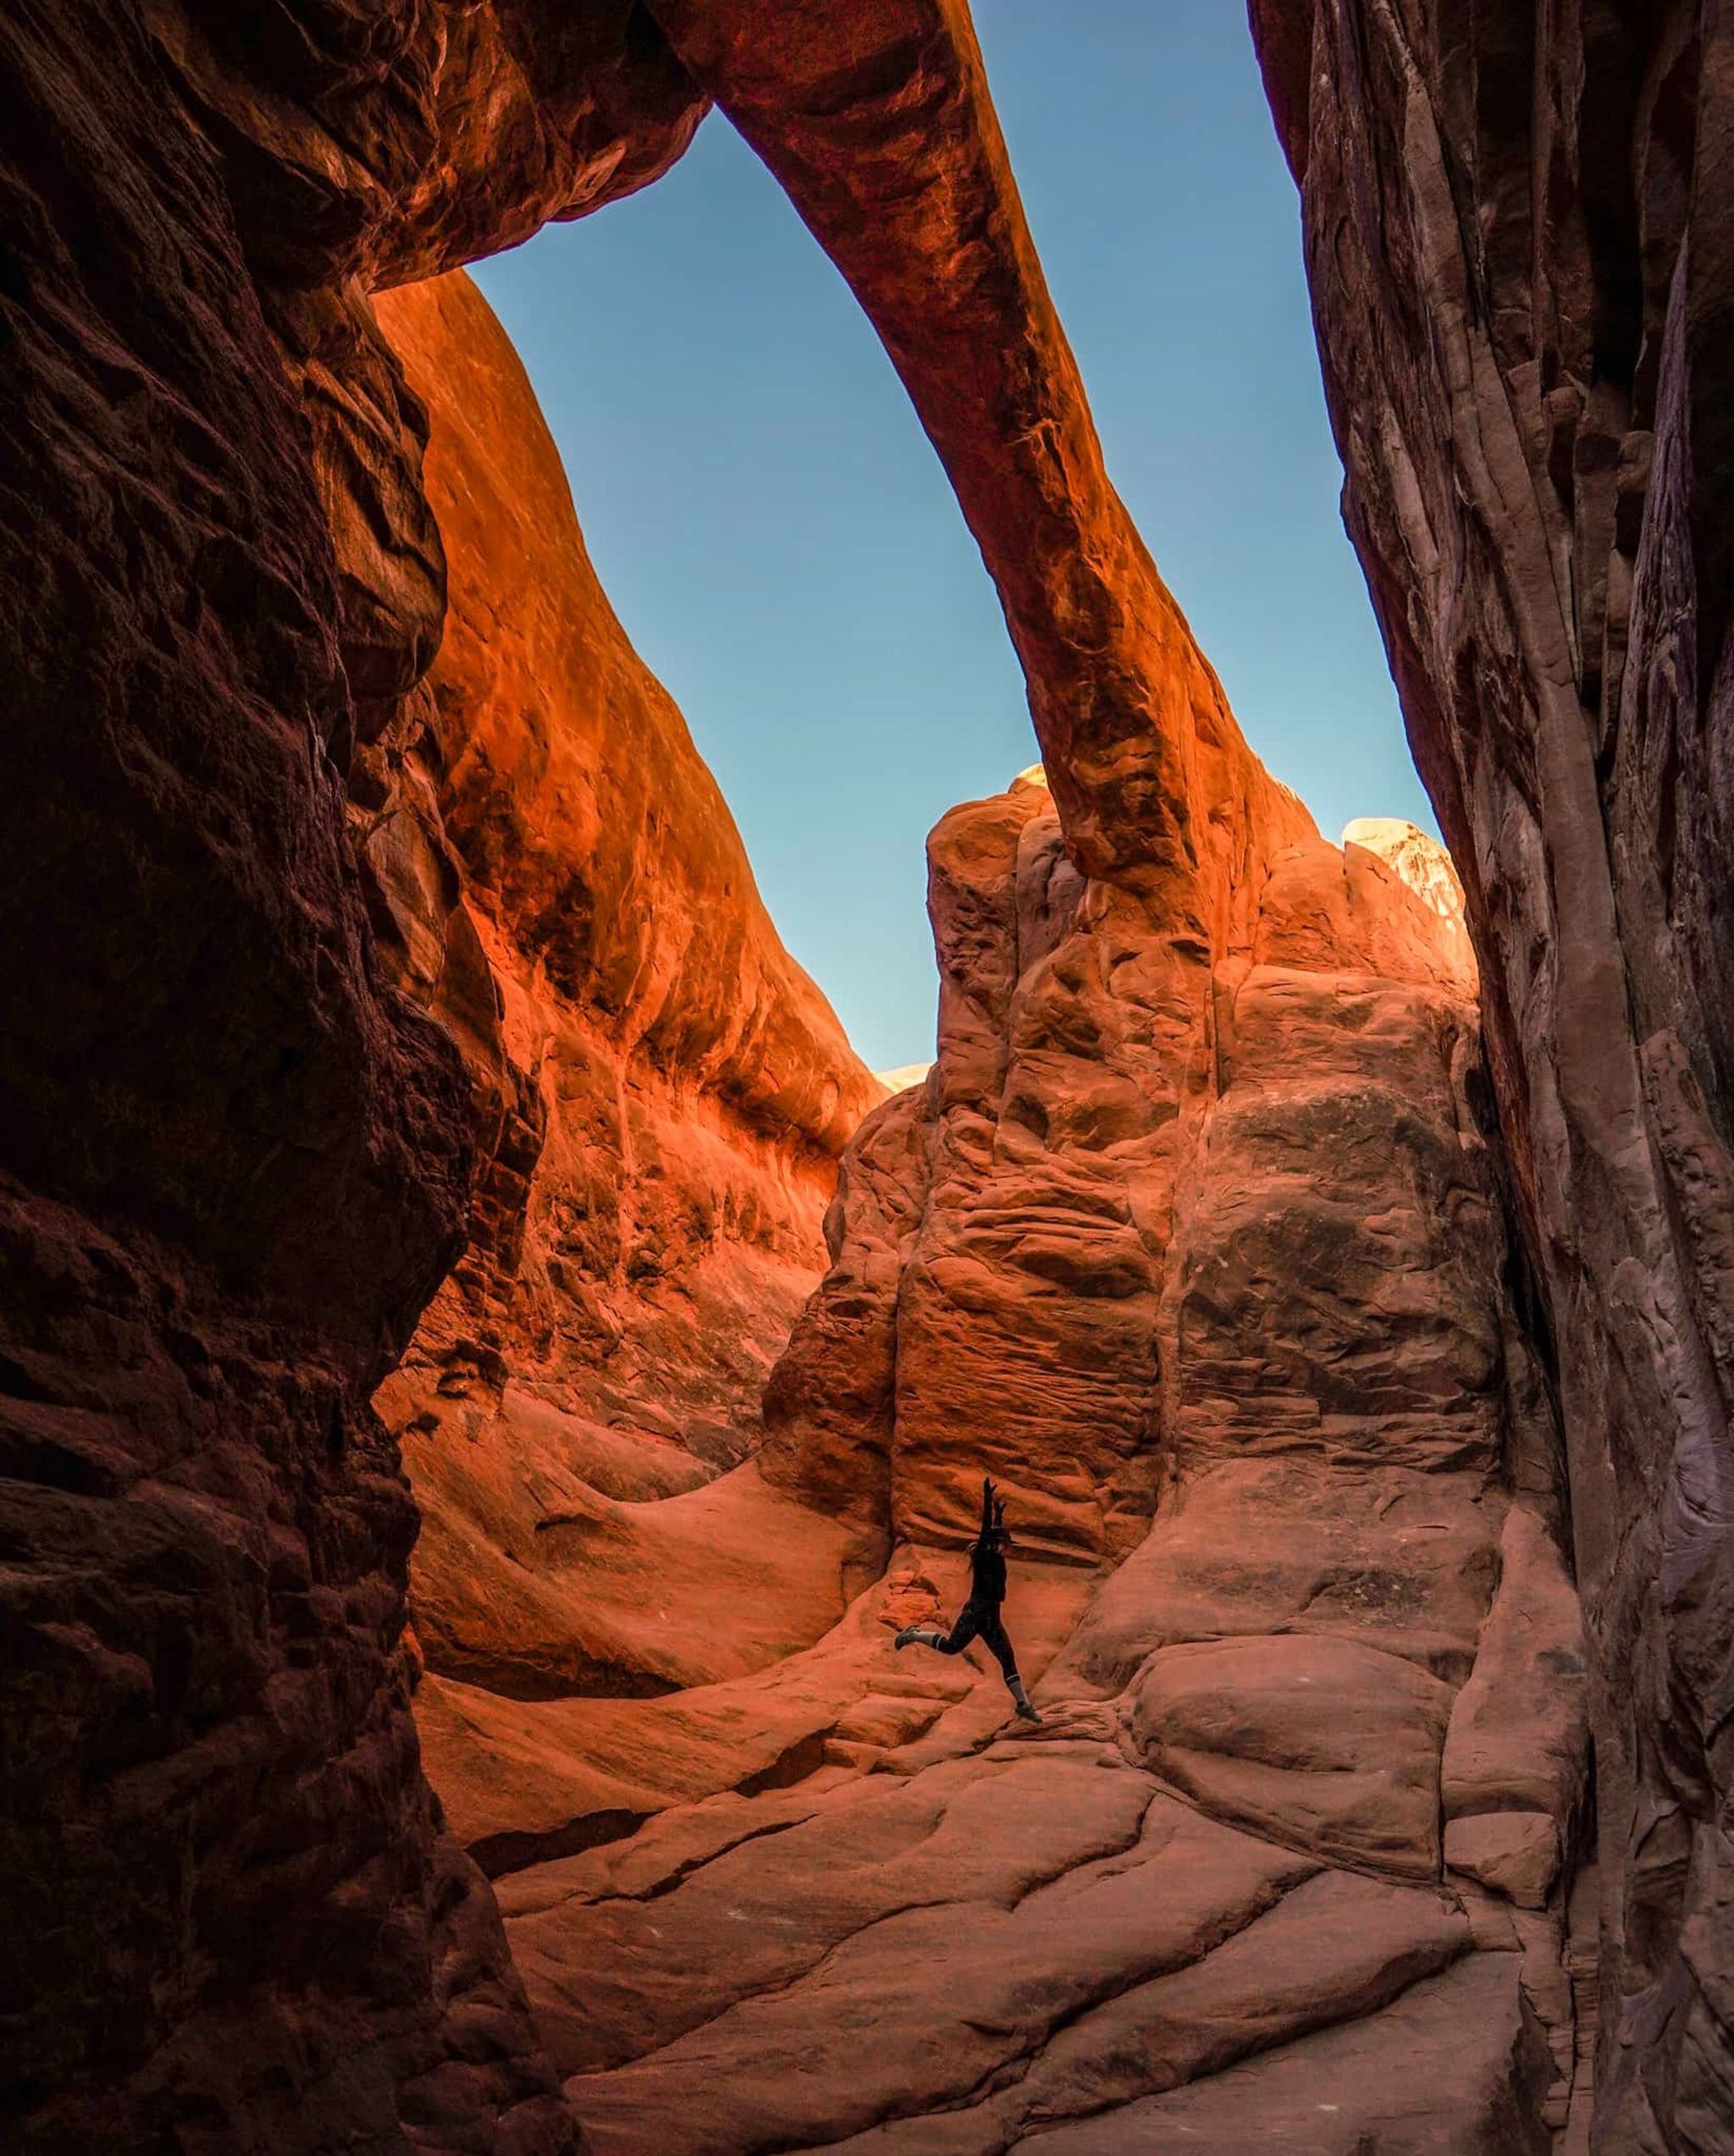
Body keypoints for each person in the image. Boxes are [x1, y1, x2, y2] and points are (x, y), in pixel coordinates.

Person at [895, 1476, 1040, 1722]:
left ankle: (1023, 1705)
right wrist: (985, 1501)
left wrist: (998, 1515)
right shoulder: (984, 1555)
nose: (1009, 1548)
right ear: (997, 1545)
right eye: (1006, 1544)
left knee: (1007, 1657)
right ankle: (913, 1634)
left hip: (991, 1617)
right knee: (952, 1647)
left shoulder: (996, 1557)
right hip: (975, 1612)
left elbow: (991, 1533)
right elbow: (986, 1533)